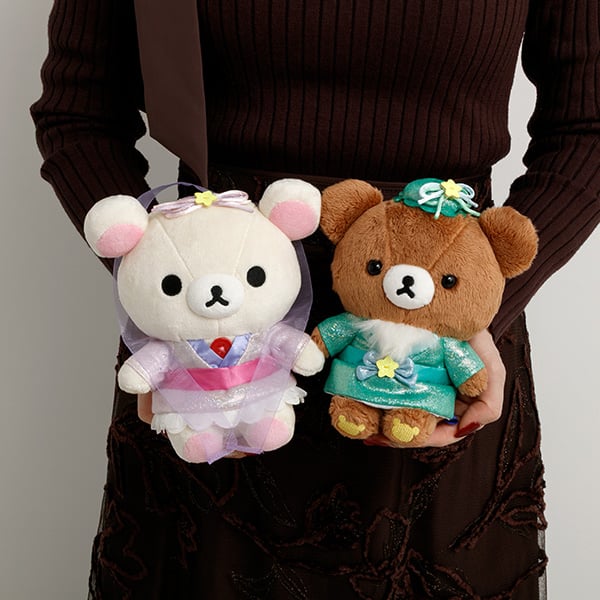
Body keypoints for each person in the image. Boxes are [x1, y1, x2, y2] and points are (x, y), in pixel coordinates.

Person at [31, 1, 599, 598]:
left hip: (436, 354)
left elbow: (585, 126)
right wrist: (169, 291)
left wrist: (471, 307)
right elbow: (79, 111)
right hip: (215, 340)